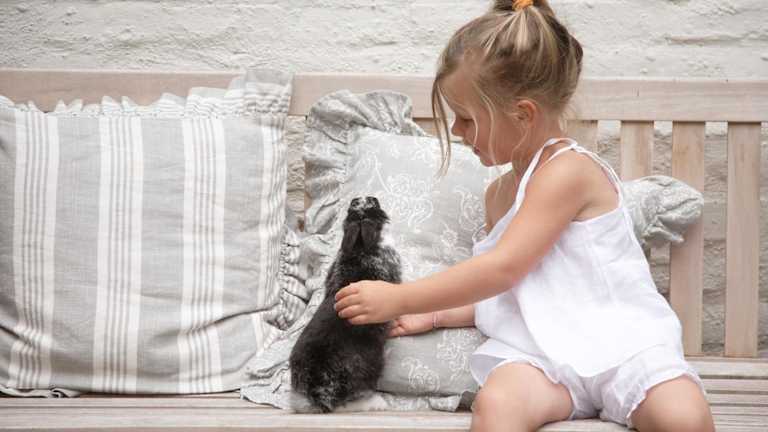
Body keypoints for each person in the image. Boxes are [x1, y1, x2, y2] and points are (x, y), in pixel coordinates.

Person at [333, 0, 715, 430]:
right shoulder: (499, 195)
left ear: (522, 114)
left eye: (466, 118)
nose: (457, 131)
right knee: (497, 404)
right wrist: (436, 316)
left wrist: (401, 297)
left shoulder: (568, 172)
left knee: (683, 417)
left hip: (622, 347)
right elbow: (512, 291)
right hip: (543, 357)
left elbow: (502, 269)